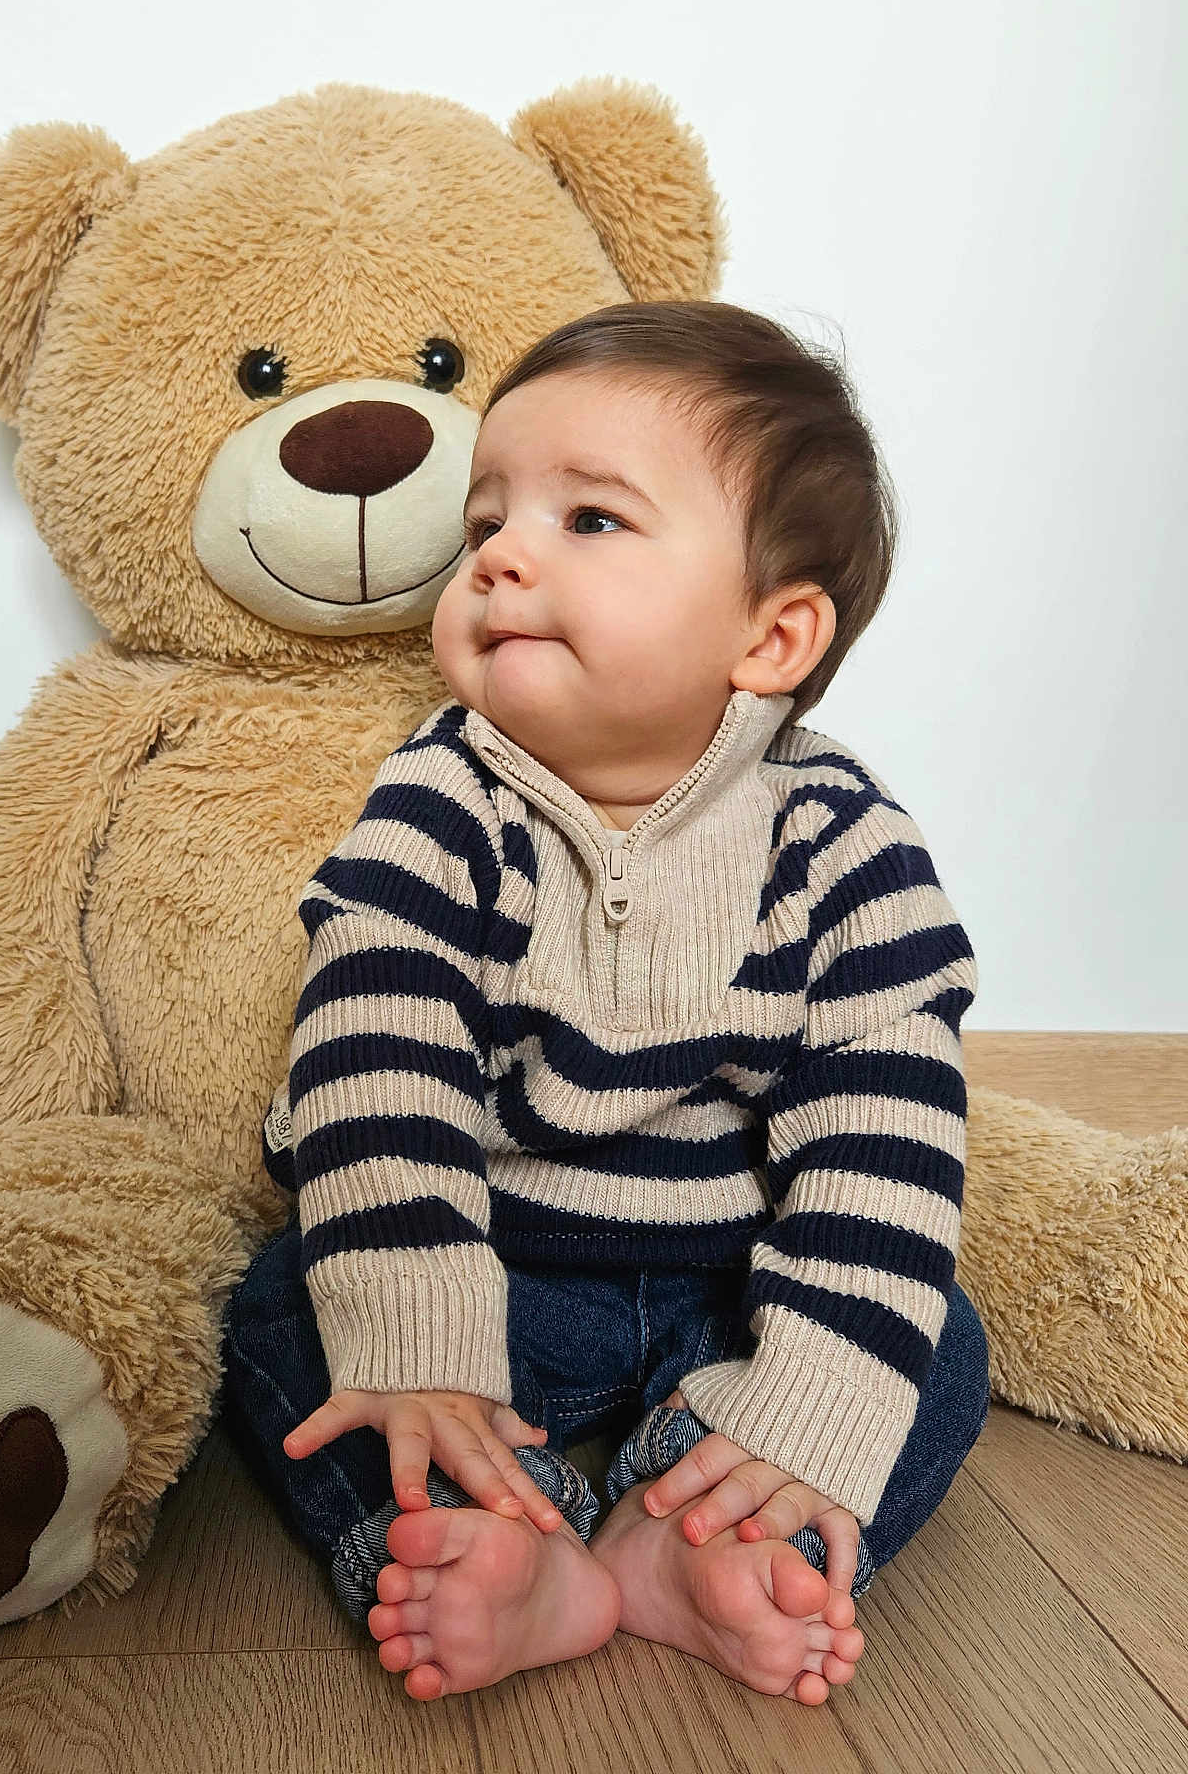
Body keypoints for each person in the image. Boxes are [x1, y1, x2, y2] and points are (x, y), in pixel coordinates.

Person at [219, 299, 990, 1707]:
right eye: (486, 520)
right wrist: (421, 1340)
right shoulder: (443, 799)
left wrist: (809, 1397)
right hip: (495, 1278)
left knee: (927, 1345)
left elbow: (883, 1131)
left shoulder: (843, 845)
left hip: (730, 1289)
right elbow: (376, 1060)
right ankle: (501, 1538)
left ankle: (702, 1538)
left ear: (772, 638)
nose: (500, 554)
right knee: (289, 1306)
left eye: (590, 520)